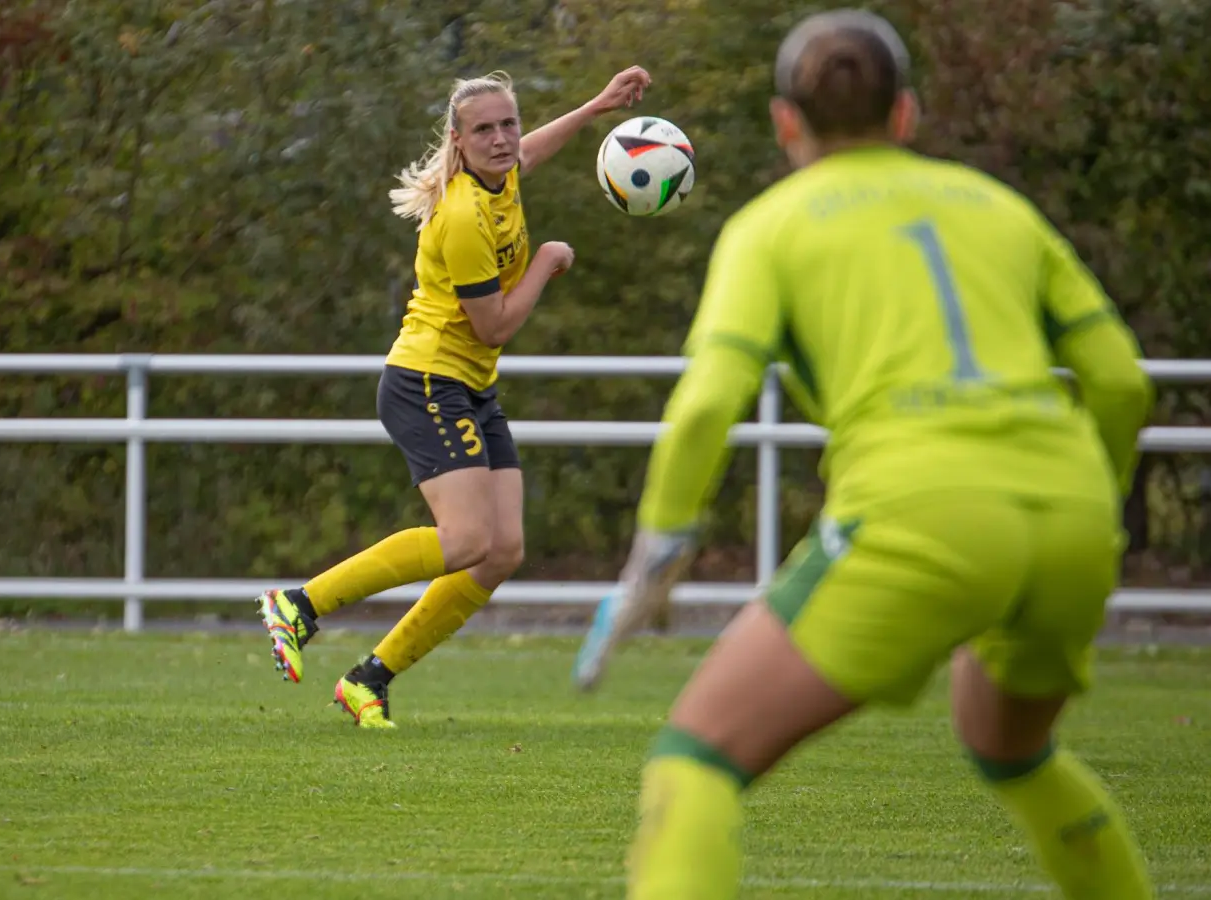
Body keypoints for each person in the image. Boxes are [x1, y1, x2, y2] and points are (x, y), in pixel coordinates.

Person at [571, 10, 1157, 899]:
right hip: (1072, 511)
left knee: (693, 762)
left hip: (919, 515)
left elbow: (706, 407)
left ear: (785, 123)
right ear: (906, 114)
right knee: (1014, 751)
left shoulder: (771, 227)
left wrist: (655, 557)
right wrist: (1088, 508)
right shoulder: (997, 207)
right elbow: (1120, 382)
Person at [255, 64, 653, 729]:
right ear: (457, 140)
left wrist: (598, 106)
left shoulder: (502, 172)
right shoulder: (465, 214)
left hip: (472, 387)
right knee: (466, 538)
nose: (502, 139)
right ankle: (300, 603)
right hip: (428, 382)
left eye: (509, 124)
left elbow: (532, 152)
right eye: (485, 130)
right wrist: (546, 261)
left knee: (502, 552)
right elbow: (493, 324)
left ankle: (369, 679)